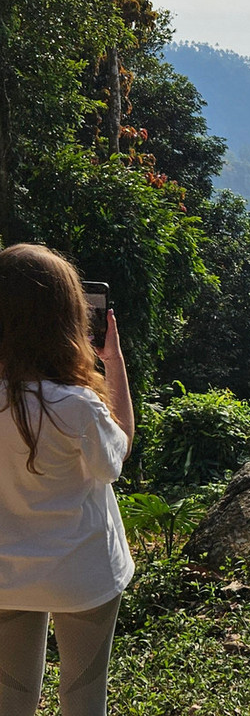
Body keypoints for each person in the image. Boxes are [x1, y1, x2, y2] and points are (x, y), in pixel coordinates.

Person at [0, 243, 135, 716]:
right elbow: (114, 462)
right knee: (83, 696)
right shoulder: (77, 407)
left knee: (11, 698)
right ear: (69, 318)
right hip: (83, 575)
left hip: (7, 575)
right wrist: (113, 364)